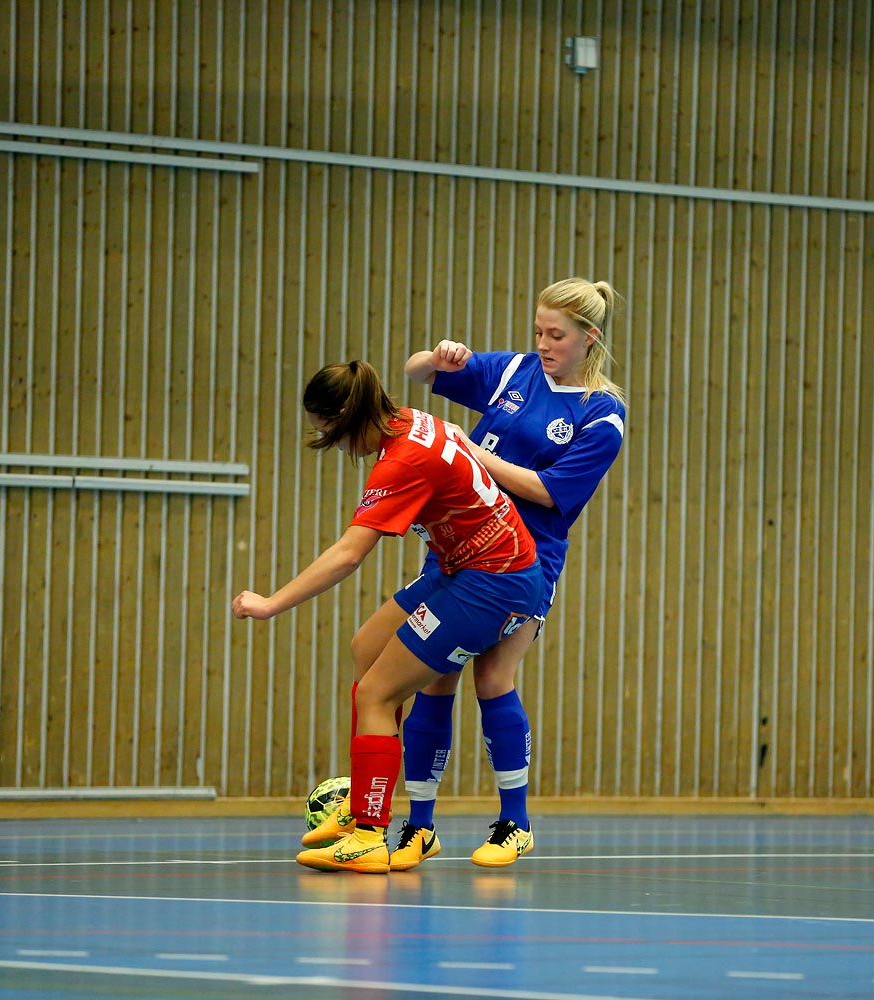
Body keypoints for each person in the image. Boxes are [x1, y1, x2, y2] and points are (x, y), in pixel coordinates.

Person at [232, 360, 545, 874]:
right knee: (366, 649)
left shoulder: (400, 462)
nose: (336, 448)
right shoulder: (409, 420)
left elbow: (348, 554)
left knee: (378, 692)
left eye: (328, 435)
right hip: (469, 565)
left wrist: (270, 603)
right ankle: (364, 807)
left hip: (494, 581)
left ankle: (370, 834)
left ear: (345, 417)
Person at [391, 277, 625, 869]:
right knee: (433, 676)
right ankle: (419, 825)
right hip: (457, 547)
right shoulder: (515, 370)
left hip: (525, 561)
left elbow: (550, 491)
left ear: (589, 338)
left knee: (494, 676)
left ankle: (513, 821)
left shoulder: (602, 414)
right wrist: (435, 358)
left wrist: (477, 459)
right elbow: (419, 373)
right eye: (538, 331)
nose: (543, 343)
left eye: (557, 335)